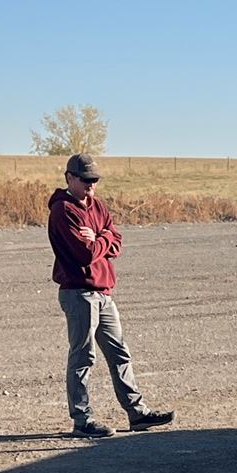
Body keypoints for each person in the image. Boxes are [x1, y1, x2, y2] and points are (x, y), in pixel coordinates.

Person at [47, 155, 173, 438]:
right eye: (86, 179)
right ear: (70, 178)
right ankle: (82, 420)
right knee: (83, 357)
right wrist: (102, 239)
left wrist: (99, 236)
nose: (91, 185)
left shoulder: (97, 206)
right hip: (78, 293)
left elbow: (116, 240)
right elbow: (85, 253)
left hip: (103, 292)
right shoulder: (63, 210)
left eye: (95, 180)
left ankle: (137, 413)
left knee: (119, 353)